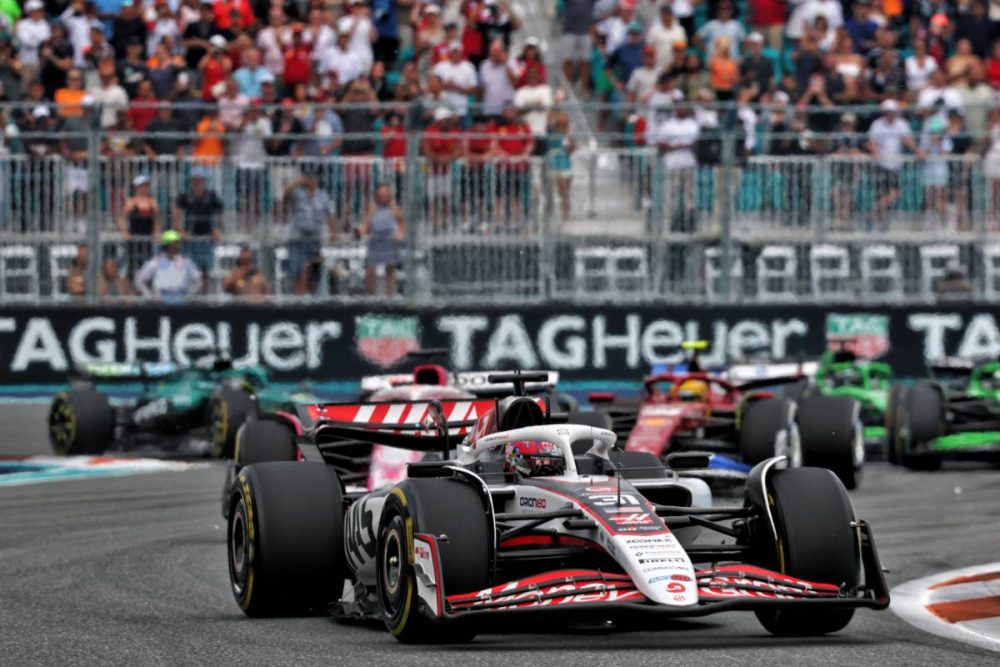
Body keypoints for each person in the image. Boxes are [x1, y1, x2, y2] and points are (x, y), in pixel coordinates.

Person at [284, 165, 338, 291]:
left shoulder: (323, 196)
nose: (311, 180)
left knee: (314, 273)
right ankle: (299, 298)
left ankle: (313, 296)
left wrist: (334, 233)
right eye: (308, 178)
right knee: (298, 272)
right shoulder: (298, 194)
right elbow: (285, 197)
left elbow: (331, 215)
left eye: (313, 178)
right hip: (298, 238)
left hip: (314, 239)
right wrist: (295, 182)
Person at [867, 100, 917, 230]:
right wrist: (876, 156)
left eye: (892, 112)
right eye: (888, 112)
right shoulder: (877, 124)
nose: (890, 115)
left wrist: (917, 151)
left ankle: (873, 214)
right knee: (881, 194)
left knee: (895, 193)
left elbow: (908, 140)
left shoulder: (901, 124)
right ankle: (881, 223)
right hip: (880, 164)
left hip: (895, 165)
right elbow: (872, 143)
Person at [174, 167, 223, 276]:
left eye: (200, 180)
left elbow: (220, 211)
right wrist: (180, 230)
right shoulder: (186, 196)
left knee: (205, 269)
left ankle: (205, 287)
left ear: (204, 181)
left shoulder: (211, 195)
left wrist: (217, 229)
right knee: (186, 269)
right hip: (190, 237)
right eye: (195, 180)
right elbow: (176, 210)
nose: (197, 183)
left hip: (206, 237)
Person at [360, 183, 405, 296]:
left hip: (389, 241)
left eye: (385, 194)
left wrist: (400, 233)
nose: (383, 196)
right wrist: (361, 231)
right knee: (370, 269)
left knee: (390, 269)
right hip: (375, 241)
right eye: (381, 194)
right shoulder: (372, 209)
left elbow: (403, 223)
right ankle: (370, 294)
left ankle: (389, 295)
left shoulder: (395, 209)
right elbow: (366, 225)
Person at [422, 106, 462, 229]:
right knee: (433, 197)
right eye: (446, 120)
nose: (449, 122)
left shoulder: (455, 131)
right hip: (431, 170)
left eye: (449, 120)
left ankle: (444, 222)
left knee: (446, 197)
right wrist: (437, 159)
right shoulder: (430, 131)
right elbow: (426, 150)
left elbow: (459, 150)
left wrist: (449, 158)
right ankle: (434, 222)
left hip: (448, 169)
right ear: (439, 120)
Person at [134, 229, 203, 301]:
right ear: (167, 245)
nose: (176, 246)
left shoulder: (186, 262)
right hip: (161, 301)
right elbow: (139, 279)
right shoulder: (156, 262)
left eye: (177, 243)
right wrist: (149, 296)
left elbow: (198, 280)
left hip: (181, 300)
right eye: (173, 243)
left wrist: (189, 296)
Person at [117, 174, 161, 277]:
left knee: (148, 267)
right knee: (132, 266)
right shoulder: (131, 202)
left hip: (148, 241)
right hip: (134, 241)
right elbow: (121, 219)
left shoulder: (152, 202)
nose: (143, 189)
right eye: (141, 186)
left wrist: (157, 232)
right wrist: (124, 232)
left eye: (145, 186)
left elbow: (157, 219)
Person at [918, 117, 951, 230]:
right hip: (928, 172)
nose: (935, 134)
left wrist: (938, 144)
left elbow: (946, 155)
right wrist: (928, 146)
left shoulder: (946, 141)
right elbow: (921, 155)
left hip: (941, 173)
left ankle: (943, 223)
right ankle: (929, 221)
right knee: (929, 198)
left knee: (941, 198)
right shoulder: (926, 141)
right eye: (933, 132)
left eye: (937, 132)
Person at [561, 0, 597, 93]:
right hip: (569, 31)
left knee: (585, 61)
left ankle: (584, 89)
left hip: (586, 31)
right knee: (567, 60)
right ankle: (566, 88)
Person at [546, 111, 576, 222]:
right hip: (553, 162)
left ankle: (565, 212)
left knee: (565, 191)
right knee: (553, 188)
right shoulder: (550, 130)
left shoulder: (568, 134)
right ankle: (551, 210)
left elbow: (571, 149)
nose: (561, 119)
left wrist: (569, 139)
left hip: (565, 163)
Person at [983, 108, 1000, 229]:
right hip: (993, 158)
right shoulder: (991, 127)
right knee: (993, 192)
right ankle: (991, 219)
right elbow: (985, 142)